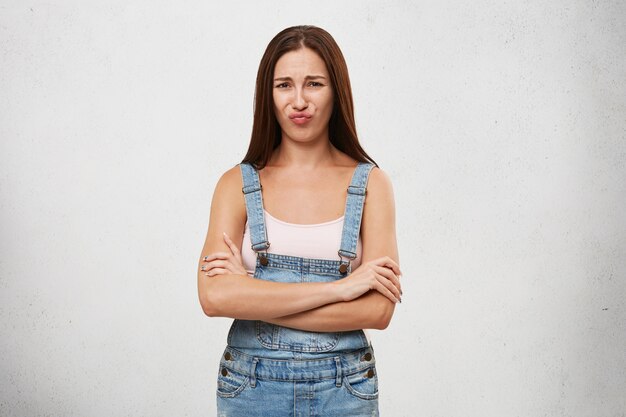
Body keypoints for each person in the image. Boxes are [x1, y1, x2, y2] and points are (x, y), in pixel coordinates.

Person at [197, 25, 402, 416]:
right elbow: (214, 297)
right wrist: (341, 289)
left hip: (344, 389)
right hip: (251, 387)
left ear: (335, 91)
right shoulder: (236, 185)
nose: (299, 101)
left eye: (314, 84)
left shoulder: (372, 184)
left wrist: (252, 290)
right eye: (284, 86)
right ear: (268, 95)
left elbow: (377, 311)